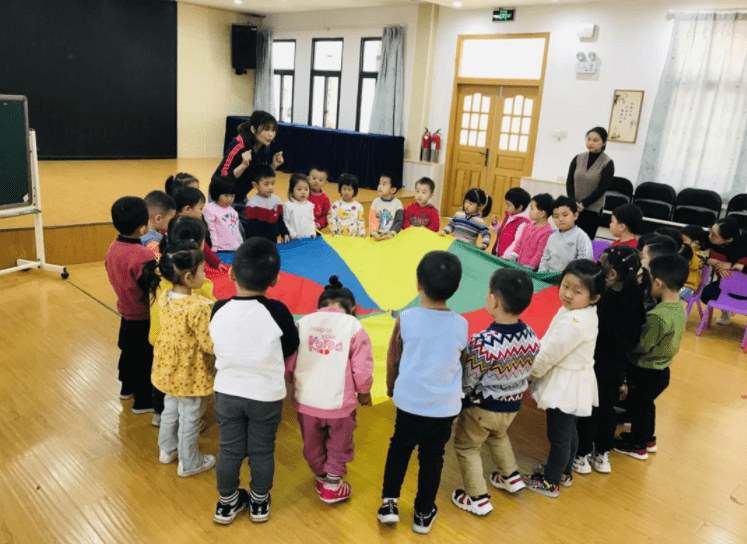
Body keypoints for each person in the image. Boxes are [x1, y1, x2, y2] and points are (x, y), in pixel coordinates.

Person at [210, 238, 300, 525]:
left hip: (227, 393)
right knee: (262, 449)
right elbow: (290, 345)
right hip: (266, 395)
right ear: (274, 279)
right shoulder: (278, 312)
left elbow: (217, 341)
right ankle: (259, 501)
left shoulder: (218, 308)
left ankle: (227, 503)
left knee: (229, 449)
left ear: (231, 273)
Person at [378, 251, 468, 534]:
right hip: (444, 408)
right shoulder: (461, 324)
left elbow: (393, 359)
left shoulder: (405, 319)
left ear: (418, 284)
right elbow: (462, 364)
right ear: (455, 288)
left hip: (410, 404)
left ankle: (389, 503)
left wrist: (392, 389)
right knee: (433, 458)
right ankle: (422, 513)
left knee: (399, 449)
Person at [451, 269, 540, 516]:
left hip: (482, 408)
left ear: (494, 300)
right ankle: (510, 477)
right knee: (498, 436)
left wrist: (460, 397)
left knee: (467, 447)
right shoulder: (531, 335)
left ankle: (477, 498)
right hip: (512, 405)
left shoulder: (483, 341)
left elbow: (469, 379)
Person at [285, 276, 374, 503]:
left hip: (307, 400)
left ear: (319, 307)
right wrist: (364, 392)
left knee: (311, 443)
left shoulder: (303, 323)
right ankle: (332, 485)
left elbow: (290, 361)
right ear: (353, 308)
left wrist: (288, 379)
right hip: (339, 404)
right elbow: (362, 368)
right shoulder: (355, 327)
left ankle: (321, 474)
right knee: (339, 442)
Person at [525, 259, 605, 498]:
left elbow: (550, 353)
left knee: (558, 434)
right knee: (568, 430)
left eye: (577, 291)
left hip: (565, 383)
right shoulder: (581, 312)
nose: (568, 294)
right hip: (574, 380)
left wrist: (529, 374)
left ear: (594, 297)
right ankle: (563, 472)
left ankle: (551, 482)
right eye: (565, 286)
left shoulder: (575, 322)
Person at [573, 246, 647, 475]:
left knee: (589, 409)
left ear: (612, 274)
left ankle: (582, 454)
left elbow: (594, 332)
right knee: (607, 408)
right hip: (617, 365)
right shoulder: (636, 296)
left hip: (597, 362)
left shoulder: (606, 300)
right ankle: (602, 454)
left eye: (600, 265)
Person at [148, 241, 216, 477]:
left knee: (171, 408)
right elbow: (209, 344)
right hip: (190, 372)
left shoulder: (165, 296)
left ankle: (166, 450)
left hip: (167, 368)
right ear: (188, 277)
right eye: (202, 271)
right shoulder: (199, 307)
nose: (205, 275)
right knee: (190, 416)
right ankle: (189, 462)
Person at [613, 254, 689, 460]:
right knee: (646, 406)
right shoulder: (679, 308)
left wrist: (624, 345)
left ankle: (637, 445)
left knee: (640, 408)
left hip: (645, 370)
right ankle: (648, 439)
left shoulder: (658, 315)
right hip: (662, 369)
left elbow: (643, 345)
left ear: (658, 283)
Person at [104, 196, 157, 414]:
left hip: (125, 312)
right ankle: (143, 402)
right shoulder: (143, 255)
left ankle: (126, 389)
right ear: (143, 227)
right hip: (143, 315)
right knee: (145, 360)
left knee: (127, 352)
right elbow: (151, 287)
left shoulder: (113, 248)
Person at [212, 110, 284, 209]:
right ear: (253, 129)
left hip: (240, 196)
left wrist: (273, 165)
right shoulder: (239, 143)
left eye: (273, 130)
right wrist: (243, 165)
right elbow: (223, 176)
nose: (270, 134)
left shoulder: (265, 147)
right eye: (266, 129)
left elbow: (259, 177)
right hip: (222, 195)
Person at [566, 127, 615, 240]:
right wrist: (573, 201)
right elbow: (569, 181)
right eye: (589, 139)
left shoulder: (607, 162)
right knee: (569, 239)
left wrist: (583, 204)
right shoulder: (578, 158)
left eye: (595, 140)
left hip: (592, 209)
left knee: (585, 241)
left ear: (603, 142)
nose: (590, 143)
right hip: (574, 207)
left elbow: (602, 188)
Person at [701, 217, 747, 325]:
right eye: (710, 231)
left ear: (729, 239)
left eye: (714, 235)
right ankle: (725, 311)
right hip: (725, 282)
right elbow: (694, 253)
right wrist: (708, 260)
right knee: (707, 293)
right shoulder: (709, 240)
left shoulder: (744, 243)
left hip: (743, 285)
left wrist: (733, 266)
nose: (709, 236)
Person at [173, 186, 226, 271]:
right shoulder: (178, 225)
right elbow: (203, 246)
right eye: (200, 208)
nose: (202, 212)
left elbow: (204, 246)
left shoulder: (189, 224)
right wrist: (216, 262)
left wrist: (216, 262)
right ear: (187, 209)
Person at [538, 196, 593, 273]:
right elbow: (545, 259)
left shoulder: (581, 236)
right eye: (556, 216)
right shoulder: (552, 237)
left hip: (569, 280)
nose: (560, 219)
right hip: (548, 277)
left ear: (575, 215)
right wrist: (541, 275)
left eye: (565, 215)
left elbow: (585, 261)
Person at [506, 193, 554, 270]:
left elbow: (540, 253)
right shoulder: (528, 225)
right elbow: (520, 241)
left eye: (532, 208)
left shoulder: (547, 231)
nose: (529, 211)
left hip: (530, 270)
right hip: (519, 265)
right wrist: (514, 254)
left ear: (542, 213)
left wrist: (531, 266)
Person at [244, 165, 290, 243]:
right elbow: (252, 229)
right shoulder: (252, 205)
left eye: (272, 183)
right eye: (266, 184)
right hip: (259, 243)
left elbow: (280, 220)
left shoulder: (276, 200)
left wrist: (284, 233)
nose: (270, 187)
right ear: (255, 185)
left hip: (273, 240)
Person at [203, 177, 243, 252]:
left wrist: (241, 245)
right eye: (226, 195)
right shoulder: (210, 208)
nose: (229, 199)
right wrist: (214, 248)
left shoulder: (233, 211)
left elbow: (236, 231)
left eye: (232, 196)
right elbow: (211, 229)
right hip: (220, 250)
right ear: (216, 194)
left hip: (236, 249)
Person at [491, 187, 531, 258]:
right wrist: (495, 225)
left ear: (519, 207)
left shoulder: (523, 223)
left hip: (506, 259)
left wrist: (505, 257)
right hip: (498, 255)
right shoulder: (509, 216)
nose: (506, 208)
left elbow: (516, 243)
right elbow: (502, 232)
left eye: (508, 205)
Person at [369, 172, 404, 241]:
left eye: (384, 184)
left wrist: (391, 233)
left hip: (392, 236)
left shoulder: (397, 203)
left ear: (393, 190)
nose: (380, 186)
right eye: (379, 183)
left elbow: (398, 221)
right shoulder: (376, 202)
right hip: (378, 234)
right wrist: (374, 233)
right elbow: (373, 218)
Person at [141, 190, 176, 256]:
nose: (173, 223)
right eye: (171, 219)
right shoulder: (155, 243)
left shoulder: (137, 238)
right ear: (158, 219)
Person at [679, 225, 710, 300]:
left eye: (684, 241)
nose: (682, 243)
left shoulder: (699, 255)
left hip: (689, 288)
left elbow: (694, 265)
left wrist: (688, 251)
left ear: (695, 243)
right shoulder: (686, 252)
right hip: (680, 285)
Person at [283, 173, 317, 240]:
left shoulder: (310, 205)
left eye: (306, 189)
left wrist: (313, 232)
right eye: (299, 189)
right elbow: (285, 222)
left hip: (307, 239)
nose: (303, 192)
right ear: (292, 190)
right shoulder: (287, 206)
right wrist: (293, 235)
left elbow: (311, 220)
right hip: (292, 240)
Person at [308, 165, 331, 230]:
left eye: (320, 180)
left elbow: (326, 215)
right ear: (308, 178)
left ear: (325, 182)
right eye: (314, 178)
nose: (316, 181)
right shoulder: (303, 194)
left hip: (316, 229)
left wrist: (319, 224)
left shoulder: (325, 198)